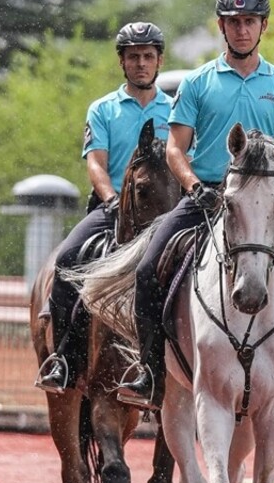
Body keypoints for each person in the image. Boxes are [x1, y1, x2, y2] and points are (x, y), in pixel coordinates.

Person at [116, 0, 274, 413]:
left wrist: (270, 191)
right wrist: (196, 188)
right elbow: (176, 147)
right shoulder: (197, 82)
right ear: (222, 26)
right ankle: (149, 372)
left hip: (262, 201)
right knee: (146, 272)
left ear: (263, 26)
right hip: (207, 194)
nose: (241, 30)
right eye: (233, 22)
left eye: (249, 22)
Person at [36, 22, 173, 393]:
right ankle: (63, 359)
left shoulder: (176, 111)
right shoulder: (103, 109)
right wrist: (112, 199)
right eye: (133, 57)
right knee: (66, 261)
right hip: (112, 209)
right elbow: (96, 163)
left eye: (148, 57)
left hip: (166, 215)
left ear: (160, 60)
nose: (141, 64)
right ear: (122, 62)